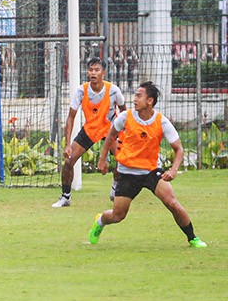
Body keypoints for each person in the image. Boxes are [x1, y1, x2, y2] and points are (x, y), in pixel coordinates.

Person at [89, 81, 207, 248]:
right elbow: (110, 136)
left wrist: (173, 171)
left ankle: (193, 238)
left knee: (172, 202)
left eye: (139, 96)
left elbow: (179, 149)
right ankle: (100, 221)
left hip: (151, 171)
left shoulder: (162, 121)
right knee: (117, 216)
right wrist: (102, 159)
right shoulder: (126, 117)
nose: (135, 99)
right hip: (127, 172)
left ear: (149, 101)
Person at [53, 57, 126, 208]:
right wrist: (67, 145)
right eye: (91, 70)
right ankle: (66, 197)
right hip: (90, 129)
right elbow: (71, 117)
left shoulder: (114, 90)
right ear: (87, 72)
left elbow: (125, 113)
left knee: (123, 160)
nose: (93, 73)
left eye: (97, 70)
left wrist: (125, 137)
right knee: (68, 161)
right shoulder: (81, 90)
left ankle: (115, 188)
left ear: (103, 73)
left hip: (109, 130)